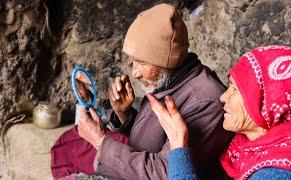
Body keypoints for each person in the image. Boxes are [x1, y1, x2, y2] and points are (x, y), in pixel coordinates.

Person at [76, 3, 233, 180]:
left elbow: (166, 173)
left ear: (166, 61)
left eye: (142, 63)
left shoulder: (204, 101)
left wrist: (100, 141)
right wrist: (124, 115)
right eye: (132, 61)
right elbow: (156, 140)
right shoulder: (171, 79)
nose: (134, 73)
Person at [147, 45, 291, 179]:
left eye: (235, 89)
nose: (223, 96)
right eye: (229, 85)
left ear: (268, 103)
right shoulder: (249, 147)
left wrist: (178, 144)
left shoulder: (277, 173)